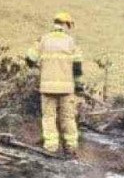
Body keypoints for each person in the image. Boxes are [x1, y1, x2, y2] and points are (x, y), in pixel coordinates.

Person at [28, 12, 84, 155]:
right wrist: (79, 87)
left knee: (48, 118)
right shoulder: (71, 42)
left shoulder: (43, 39)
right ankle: (71, 148)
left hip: (47, 87)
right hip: (67, 88)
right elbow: (77, 67)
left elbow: (29, 59)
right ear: (66, 24)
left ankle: (51, 148)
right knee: (68, 118)